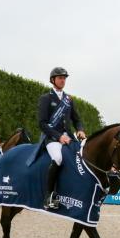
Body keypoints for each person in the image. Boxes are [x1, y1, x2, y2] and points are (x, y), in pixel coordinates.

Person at [39, 67, 86, 210]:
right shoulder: (46, 98)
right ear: (53, 80)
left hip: (69, 137)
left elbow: (76, 119)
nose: (63, 80)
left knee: (82, 157)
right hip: (52, 138)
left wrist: (80, 129)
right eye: (60, 78)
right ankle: (48, 197)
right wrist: (59, 137)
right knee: (58, 158)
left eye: (64, 78)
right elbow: (41, 123)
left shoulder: (69, 99)